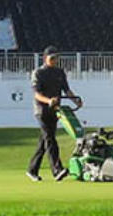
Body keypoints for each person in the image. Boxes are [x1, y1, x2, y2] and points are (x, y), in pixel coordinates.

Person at [28, 46, 82, 181]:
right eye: (52, 58)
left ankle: (32, 170)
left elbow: (66, 90)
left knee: (45, 141)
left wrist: (75, 100)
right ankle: (57, 170)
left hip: (56, 110)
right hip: (42, 111)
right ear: (45, 58)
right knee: (51, 139)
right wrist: (48, 100)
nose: (55, 60)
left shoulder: (59, 72)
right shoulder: (38, 73)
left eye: (56, 58)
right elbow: (37, 94)